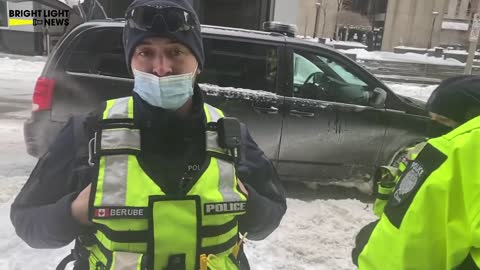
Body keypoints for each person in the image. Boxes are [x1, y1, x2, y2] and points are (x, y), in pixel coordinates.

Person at [10, 1, 287, 269]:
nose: (161, 68)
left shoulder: (230, 134)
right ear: (131, 62)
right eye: (145, 52)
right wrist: (73, 212)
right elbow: (27, 222)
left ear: (198, 62)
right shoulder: (89, 132)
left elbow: (272, 213)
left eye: (176, 51)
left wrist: (249, 202)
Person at [352, 75, 480, 269]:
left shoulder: (469, 158)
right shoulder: (434, 150)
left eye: (443, 120)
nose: (434, 126)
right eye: (432, 118)